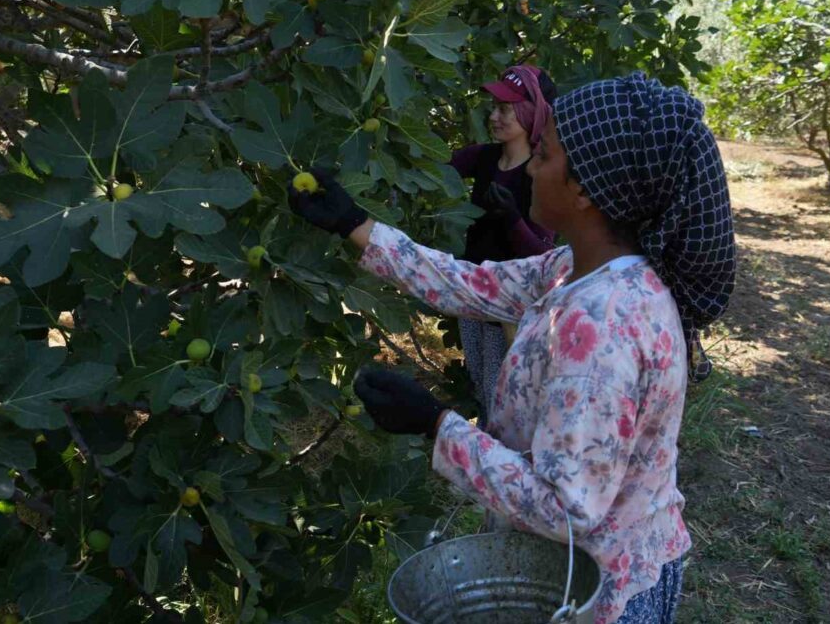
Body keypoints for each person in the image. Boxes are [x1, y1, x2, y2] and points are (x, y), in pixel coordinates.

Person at [287, 72, 736, 623]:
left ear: (586, 189)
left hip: (593, 596)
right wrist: (355, 225)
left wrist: (435, 424)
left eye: (543, 156)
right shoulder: (581, 266)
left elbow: (566, 511)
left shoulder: (603, 327)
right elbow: (472, 284)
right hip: (597, 566)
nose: (530, 169)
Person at [450, 65, 558, 424]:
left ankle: (504, 459)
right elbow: (431, 166)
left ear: (529, 114)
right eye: (493, 107)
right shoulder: (483, 158)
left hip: (511, 307)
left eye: (504, 110)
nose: (494, 117)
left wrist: (512, 218)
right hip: (473, 292)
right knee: (480, 379)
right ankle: (485, 457)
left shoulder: (541, 175)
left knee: (504, 388)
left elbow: (545, 256)